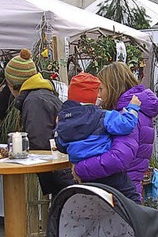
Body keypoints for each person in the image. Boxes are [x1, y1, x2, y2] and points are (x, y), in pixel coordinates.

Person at [73, 62, 158, 201]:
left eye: (101, 89)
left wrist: (81, 169)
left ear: (113, 87)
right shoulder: (134, 111)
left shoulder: (126, 117)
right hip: (130, 187)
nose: (99, 95)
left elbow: (118, 158)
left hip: (122, 192)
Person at [55, 73, 142, 203]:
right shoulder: (103, 116)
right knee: (132, 197)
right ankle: (138, 222)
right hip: (108, 174)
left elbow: (61, 145)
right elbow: (126, 125)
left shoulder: (63, 121)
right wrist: (133, 107)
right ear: (94, 96)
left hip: (83, 176)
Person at [4, 49, 76, 195]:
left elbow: (40, 142)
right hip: (65, 172)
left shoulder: (34, 101)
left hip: (62, 176)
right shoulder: (42, 95)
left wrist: (18, 151)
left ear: (11, 83)